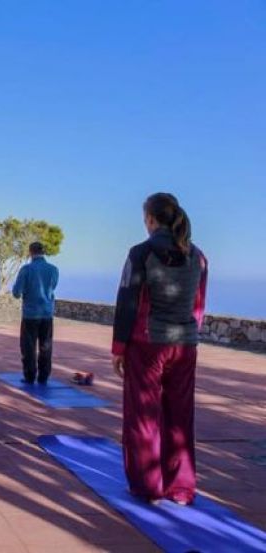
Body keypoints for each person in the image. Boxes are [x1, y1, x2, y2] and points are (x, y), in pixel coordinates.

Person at [112, 193, 207, 506]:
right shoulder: (198, 256)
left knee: (143, 415)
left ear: (151, 220)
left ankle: (147, 485)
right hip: (185, 344)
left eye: (145, 219)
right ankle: (181, 488)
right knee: (180, 416)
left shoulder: (141, 252)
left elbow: (127, 301)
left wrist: (119, 347)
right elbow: (199, 305)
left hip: (148, 344)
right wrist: (189, 334)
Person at [12, 242, 59, 384]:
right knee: (46, 346)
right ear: (43, 252)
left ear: (30, 252)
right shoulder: (53, 269)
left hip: (30, 314)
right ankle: (44, 376)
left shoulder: (26, 270)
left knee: (28, 346)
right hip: (47, 313)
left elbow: (16, 292)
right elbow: (53, 287)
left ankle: (30, 375)